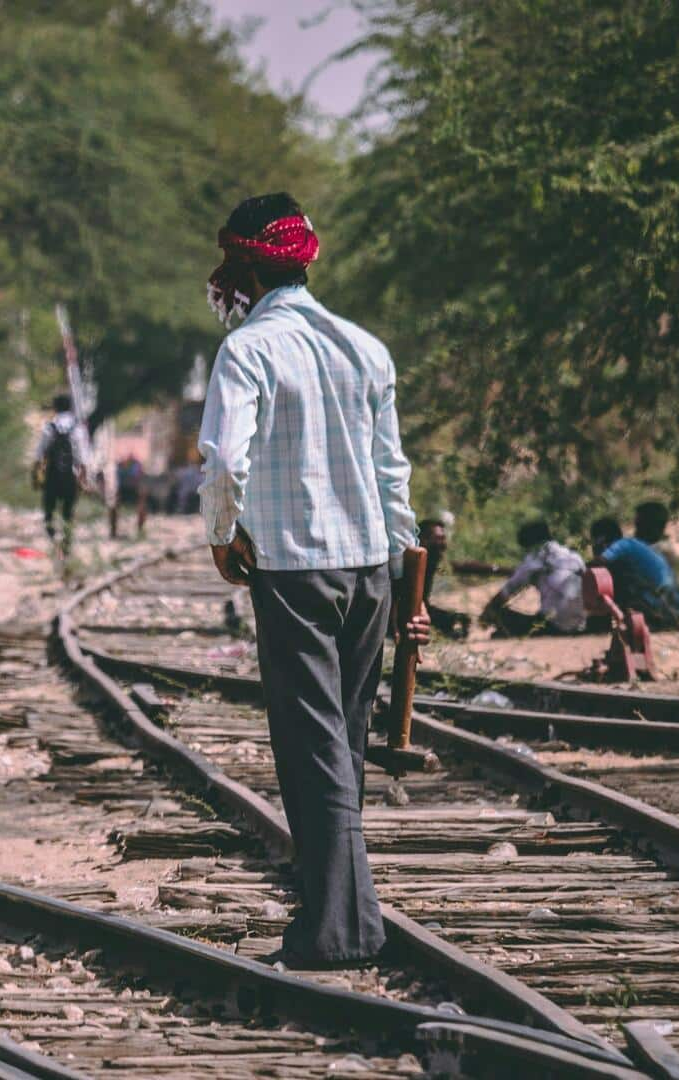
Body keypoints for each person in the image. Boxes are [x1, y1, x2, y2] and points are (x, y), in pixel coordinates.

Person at [197, 192, 427, 970]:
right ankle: (348, 918)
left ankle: (338, 931)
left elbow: (226, 458)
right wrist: (405, 564)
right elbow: (392, 470)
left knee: (311, 747)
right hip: (369, 567)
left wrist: (223, 534)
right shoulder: (367, 349)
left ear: (247, 263)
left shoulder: (249, 350)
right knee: (346, 744)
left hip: (295, 568)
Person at [482, 521, 591, 637]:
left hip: (553, 624)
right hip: (581, 623)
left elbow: (506, 593)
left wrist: (487, 613)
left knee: (501, 614)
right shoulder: (574, 557)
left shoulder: (533, 561)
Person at [590, 516, 679, 628]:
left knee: (608, 575)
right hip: (672, 604)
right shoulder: (633, 544)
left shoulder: (622, 545)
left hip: (659, 604)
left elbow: (598, 564)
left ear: (601, 539)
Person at [33, 392, 92, 557]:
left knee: (48, 512)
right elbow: (83, 459)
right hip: (69, 478)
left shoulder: (48, 427)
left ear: (55, 407)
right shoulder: (78, 429)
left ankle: (54, 540)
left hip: (52, 477)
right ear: (70, 407)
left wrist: (35, 478)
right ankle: (66, 546)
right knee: (68, 513)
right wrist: (83, 480)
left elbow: (39, 455)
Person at [415, 518, 471, 639]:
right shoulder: (412, 561)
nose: (443, 543)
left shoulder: (432, 559)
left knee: (458, 619)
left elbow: (459, 566)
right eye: (438, 538)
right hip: (403, 614)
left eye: (443, 538)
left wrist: (497, 569)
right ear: (422, 539)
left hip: (420, 609)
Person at [110, 455, 148, 539]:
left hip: (133, 489)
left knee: (142, 506)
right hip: (123, 489)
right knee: (113, 506)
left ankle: (140, 530)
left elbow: (140, 478)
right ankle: (113, 532)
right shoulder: (119, 466)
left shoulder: (136, 465)